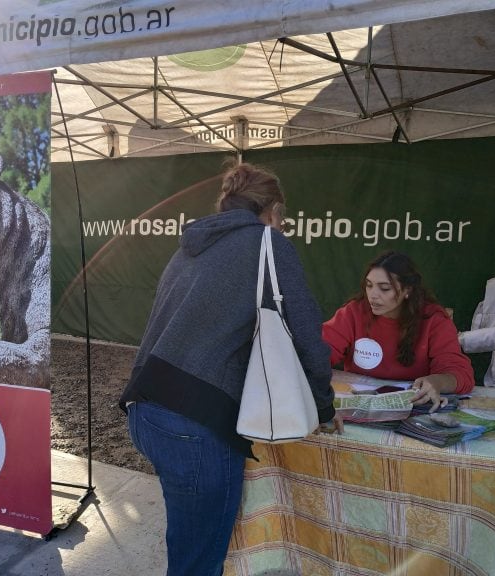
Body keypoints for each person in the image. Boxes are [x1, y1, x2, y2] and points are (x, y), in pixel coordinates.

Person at [119, 161, 342, 576]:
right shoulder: (267, 243)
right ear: (273, 209)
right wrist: (324, 407)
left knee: (187, 544)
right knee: (199, 562)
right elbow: (308, 333)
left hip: (145, 409)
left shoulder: (191, 245)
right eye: (284, 216)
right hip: (194, 423)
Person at [322, 250, 475, 413]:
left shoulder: (433, 320)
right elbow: (319, 352)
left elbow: (461, 374)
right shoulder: (353, 313)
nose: (373, 295)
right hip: (359, 405)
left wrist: (437, 382)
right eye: (369, 285)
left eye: (385, 288)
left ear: (407, 290)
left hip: (413, 409)